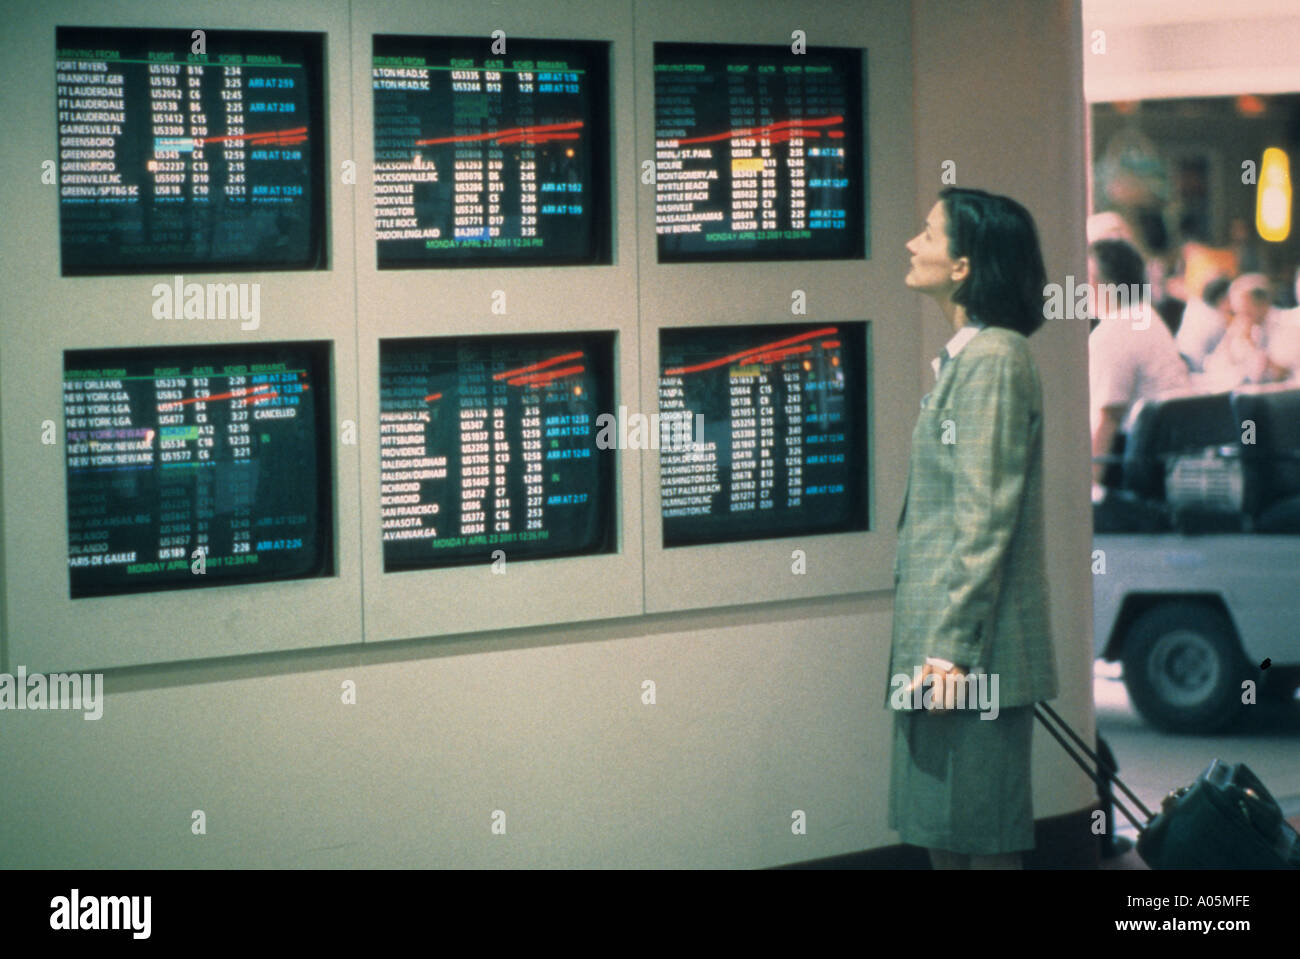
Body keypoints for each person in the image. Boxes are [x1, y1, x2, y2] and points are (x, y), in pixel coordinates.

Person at [888, 188, 1060, 870]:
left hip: (968, 653)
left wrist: (951, 651)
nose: (912, 243)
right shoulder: (973, 357)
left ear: (964, 265)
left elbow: (985, 518)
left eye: (928, 234)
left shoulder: (994, 360)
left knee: (979, 842)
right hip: (949, 646)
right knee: (947, 833)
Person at [1087, 239, 1191, 490]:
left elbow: (1108, 416)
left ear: (1097, 283)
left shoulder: (1115, 330)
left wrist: (1088, 491)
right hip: (1164, 467)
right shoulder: (1147, 318)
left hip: (1128, 474)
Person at [1201, 274, 1290, 389]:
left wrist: (1251, 345)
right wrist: (1228, 342)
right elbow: (1212, 367)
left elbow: (1277, 374)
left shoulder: (1285, 327)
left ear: (1264, 305)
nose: (1240, 318)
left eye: (1245, 312)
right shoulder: (1246, 328)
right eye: (1236, 312)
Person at [1175, 275, 1232, 373]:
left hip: (1178, 358)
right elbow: (1224, 356)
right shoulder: (1217, 320)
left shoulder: (1193, 306)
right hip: (1195, 368)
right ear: (1222, 298)